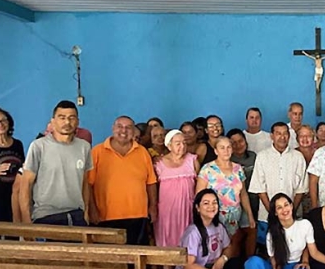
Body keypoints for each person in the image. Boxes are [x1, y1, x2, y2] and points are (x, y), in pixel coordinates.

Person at [19, 100, 92, 226]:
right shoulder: (38, 146)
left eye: (71, 118)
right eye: (62, 118)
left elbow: (85, 182)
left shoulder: (84, 147)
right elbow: (25, 185)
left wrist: (86, 212)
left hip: (77, 216)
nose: (67, 122)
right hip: (46, 216)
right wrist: (26, 221)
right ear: (53, 121)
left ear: (77, 122)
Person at [88, 116, 157, 245]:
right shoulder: (97, 152)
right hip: (106, 216)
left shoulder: (142, 152)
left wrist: (153, 207)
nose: (124, 131)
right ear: (113, 128)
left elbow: (151, 182)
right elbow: (89, 184)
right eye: (120, 126)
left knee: (136, 259)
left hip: (138, 215)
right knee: (111, 261)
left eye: (128, 127)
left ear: (134, 131)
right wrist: (92, 210)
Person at [182, 189, 242, 269]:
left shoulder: (218, 227)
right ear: (197, 208)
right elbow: (189, 266)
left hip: (211, 268)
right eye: (206, 203)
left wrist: (223, 259)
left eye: (214, 203)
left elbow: (229, 247)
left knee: (237, 266)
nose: (211, 206)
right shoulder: (193, 232)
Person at [249, 122, 308, 243]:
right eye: (278, 133)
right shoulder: (262, 157)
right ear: (272, 136)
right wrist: (273, 212)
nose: (282, 137)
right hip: (267, 216)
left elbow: (301, 189)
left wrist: (291, 211)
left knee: (294, 249)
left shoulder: (298, 157)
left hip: (293, 216)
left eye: (285, 133)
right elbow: (260, 188)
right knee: (267, 250)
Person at [196, 136, 255, 238]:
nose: (226, 151)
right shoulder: (207, 169)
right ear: (216, 151)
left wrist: (250, 215)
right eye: (222, 148)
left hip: (235, 216)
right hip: (213, 215)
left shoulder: (238, 168)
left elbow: (243, 194)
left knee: (232, 246)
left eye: (228, 147)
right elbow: (199, 195)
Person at [154, 129, 199, 248]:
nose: (182, 146)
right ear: (169, 146)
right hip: (167, 210)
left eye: (184, 142)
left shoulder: (192, 160)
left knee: (188, 240)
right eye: (178, 143)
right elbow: (154, 188)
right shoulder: (159, 163)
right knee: (167, 240)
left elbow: (199, 184)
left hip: (187, 208)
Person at [228, 128, 258, 258]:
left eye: (240, 141)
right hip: (233, 203)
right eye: (233, 143)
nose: (238, 145)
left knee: (252, 231)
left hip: (253, 200)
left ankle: (249, 260)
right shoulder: (227, 160)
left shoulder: (253, 157)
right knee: (236, 235)